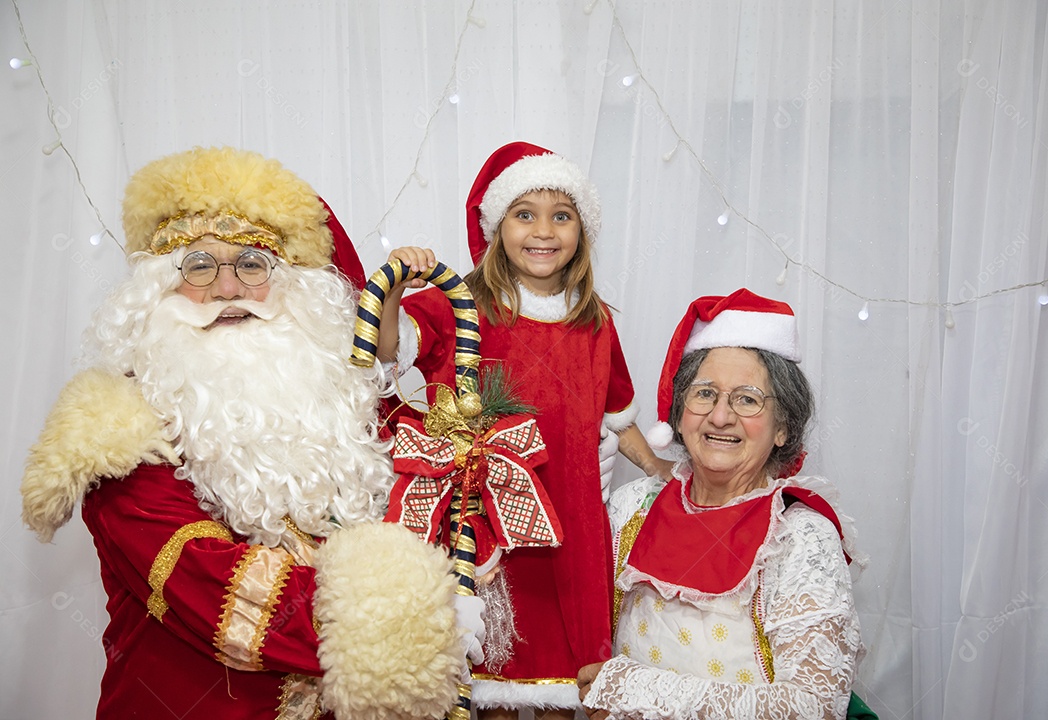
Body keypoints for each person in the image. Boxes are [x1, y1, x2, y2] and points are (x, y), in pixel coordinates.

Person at [20, 146, 476, 720]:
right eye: (200, 266)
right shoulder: (122, 432)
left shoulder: (349, 411)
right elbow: (204, 584)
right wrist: (413, 620)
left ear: (295, 287)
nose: (227, 289)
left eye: (252, 265)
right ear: (159, 287)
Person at [375, 142, 672, 718]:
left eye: (561, 215)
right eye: (524, 214)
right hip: (492, 523)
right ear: (498, 228)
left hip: (574, 525)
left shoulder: (595, 320)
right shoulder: (461, 306)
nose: (543, 231)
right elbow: (389, 349)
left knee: (568, 687)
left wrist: (663, 472)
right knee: (495, 689)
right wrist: (393, 286)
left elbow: (619, 417)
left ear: (581, 232)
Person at [577, 289, 866, 720]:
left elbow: (813, 708)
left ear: (783, 426)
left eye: (747, 399)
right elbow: (580, 634)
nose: (720, 416)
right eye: (705, 393)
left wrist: (634, 687)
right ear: (678, 412)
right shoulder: (632, 507)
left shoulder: (800, 536)